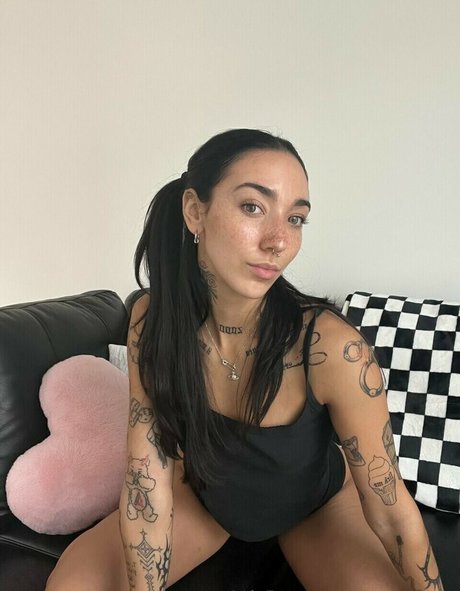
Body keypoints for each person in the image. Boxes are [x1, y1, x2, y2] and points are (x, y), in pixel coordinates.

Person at [46, 128, 443, 591]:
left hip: (314, 508)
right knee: (71, 585)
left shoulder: (333, 348)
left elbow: (391, 509)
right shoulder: (151, 322)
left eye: (296, 219)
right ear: (195, 211)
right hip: (208, 500)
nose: (278, 240)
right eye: (253, 207)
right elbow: (145, 474)